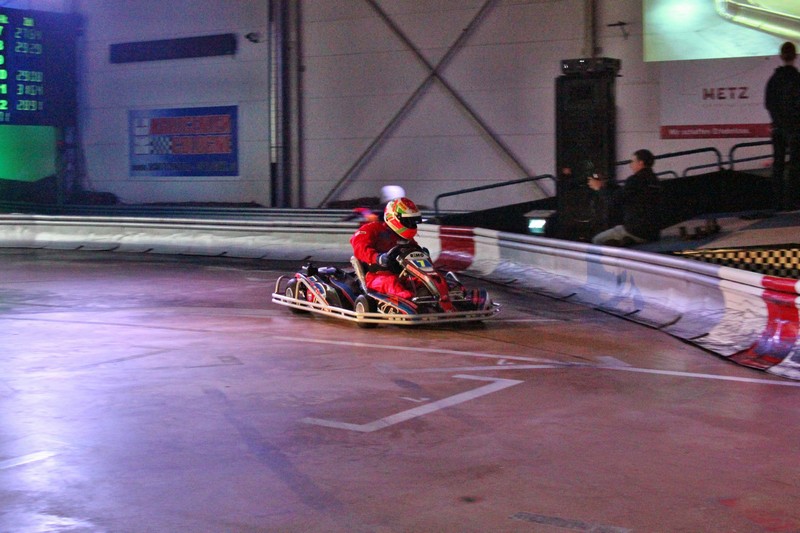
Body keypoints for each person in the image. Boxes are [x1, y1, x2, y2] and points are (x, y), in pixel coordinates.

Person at [350, 196, 422, 299]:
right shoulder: (373, 229)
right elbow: (359, 247)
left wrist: (422, 253)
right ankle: (409, 301)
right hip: (376, 276)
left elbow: (414, 249)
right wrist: (377, 257)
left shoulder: (405, 237)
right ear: (393, 217)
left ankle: (441, 299)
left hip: (402, 274)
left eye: (413, 221)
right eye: (408, 221)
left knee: (425, 279)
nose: (411, 224)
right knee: (390, 282)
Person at [590, 149, 661, 246]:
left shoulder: (635, 180)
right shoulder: (654, 180)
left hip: (635, 231)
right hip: (653, 233)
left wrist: (599, 188)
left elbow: (613, 200)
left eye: (632, 161)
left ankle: (624, 243)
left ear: (641, 163)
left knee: (597, 240)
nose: (630, 165)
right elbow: (625, 192)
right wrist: (606, 185)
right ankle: (624, 242)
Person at [765, 41, 800, 211]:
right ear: (795, 56)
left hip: (778, 128)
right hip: (795, 129)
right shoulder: (797, 79)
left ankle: (776, 201)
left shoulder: (774, 80)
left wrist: (778, 121)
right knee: (795, 165)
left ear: (781, 56)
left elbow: (768, 103)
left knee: (778, 164)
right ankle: (793, 200)